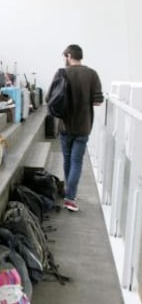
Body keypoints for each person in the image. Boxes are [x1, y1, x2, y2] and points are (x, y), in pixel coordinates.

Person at [49, 44, 104, 212]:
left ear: (68, 55)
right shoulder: (92, 74)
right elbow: (98, 101)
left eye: (65, 56)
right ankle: (70, 197)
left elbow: (49, 98)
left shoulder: (62, 73)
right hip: (83, 126)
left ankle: (68, 192)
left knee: (67, 159)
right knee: (76, 161)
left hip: (65, 125)